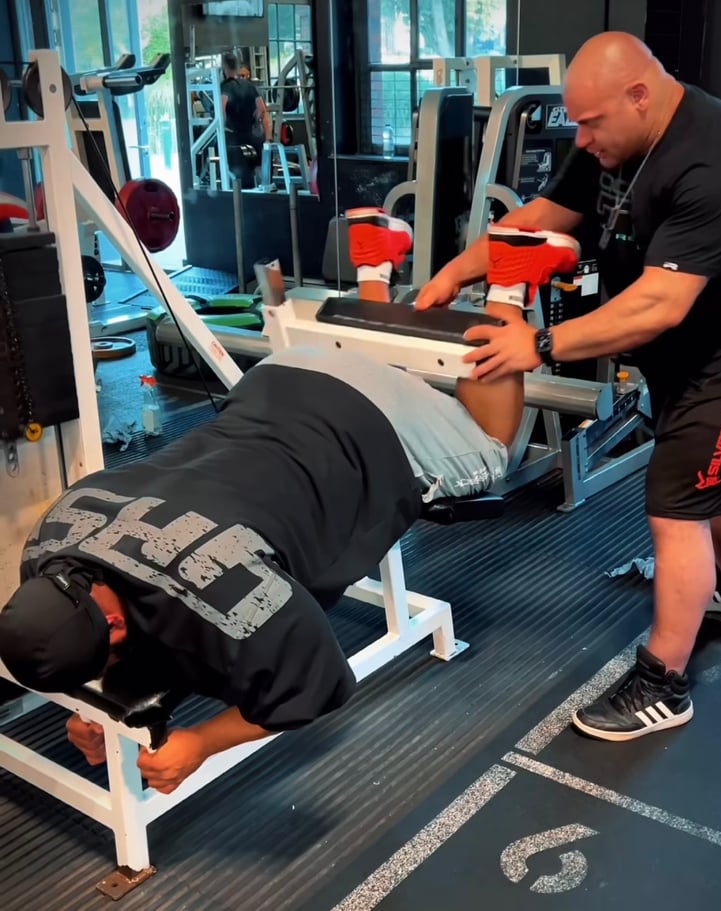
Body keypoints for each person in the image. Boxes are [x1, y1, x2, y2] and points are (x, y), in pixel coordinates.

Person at [0, 210, 577, 793]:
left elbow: (320, 684)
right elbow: (147, 611)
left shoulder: (232, 589)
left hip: (374, 419)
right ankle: (372, 261)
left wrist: (200, 743)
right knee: (373, 371)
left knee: (492, 451)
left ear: (113, 625)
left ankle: (510, 281)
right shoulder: (49, 538)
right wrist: (95, 710)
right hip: (282, 375)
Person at [416, 31, 721, 742]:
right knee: (714, 482)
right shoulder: (616, 139)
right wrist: (454, 271)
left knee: (676, 502)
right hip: (686, 351)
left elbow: (658, 304)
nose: (580, 138)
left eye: (591, 122)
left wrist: (539, 344)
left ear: (638, 95)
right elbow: (538, 221)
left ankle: (663, 684)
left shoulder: (718, 160)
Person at [220, 51, 272, 187]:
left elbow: (221, 111)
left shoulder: (224, 87)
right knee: (259, 176)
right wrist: (268, 139)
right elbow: (262, 110)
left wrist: (222, 126)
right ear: (237, 68)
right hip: (253, 140)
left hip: (235, 141)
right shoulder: (249, 86)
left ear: (224, 68)